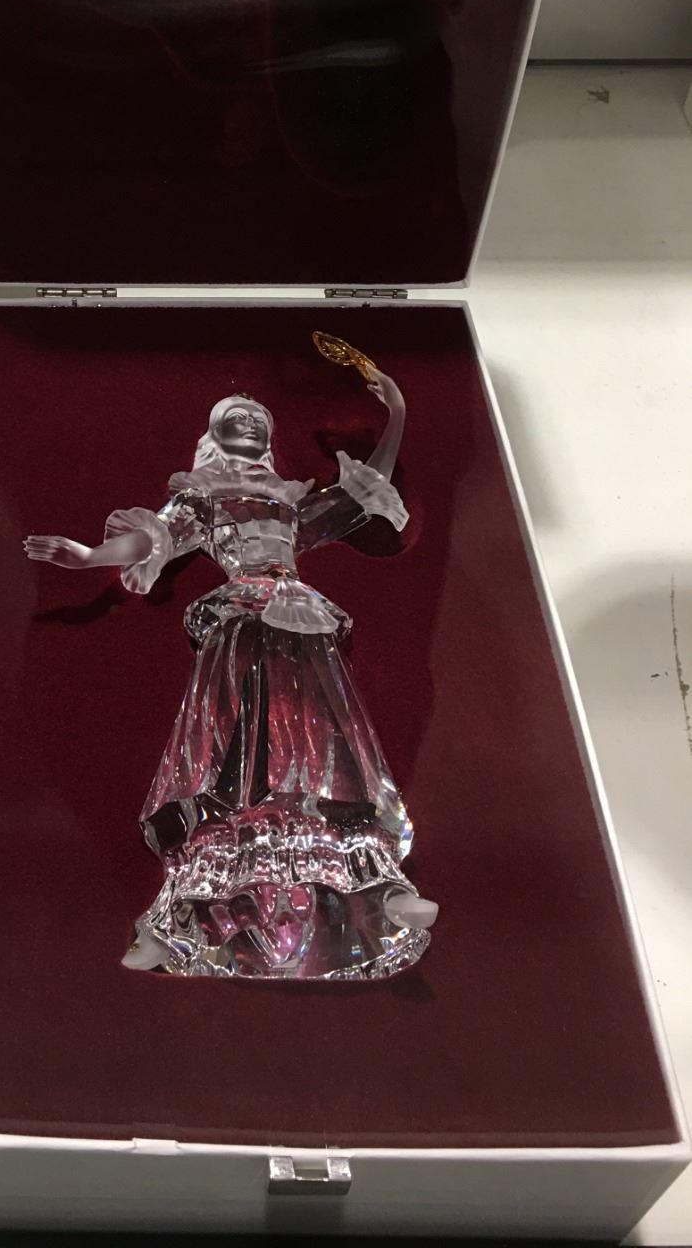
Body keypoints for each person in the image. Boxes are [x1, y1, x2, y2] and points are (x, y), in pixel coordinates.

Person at [24, 376, 437, 981]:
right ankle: (176, 918)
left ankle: (381, 889)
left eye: (257, 419)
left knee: (328, 747)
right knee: (236, 756)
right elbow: (152, 537)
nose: (248, 424)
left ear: (269, 438)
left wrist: (396, 409)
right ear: (212, 435)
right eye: (234, 417)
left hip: (301, 624)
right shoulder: (203, 500)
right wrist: (90, 556)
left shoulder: (291, 505)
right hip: (242, 622)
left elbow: (364, 487)